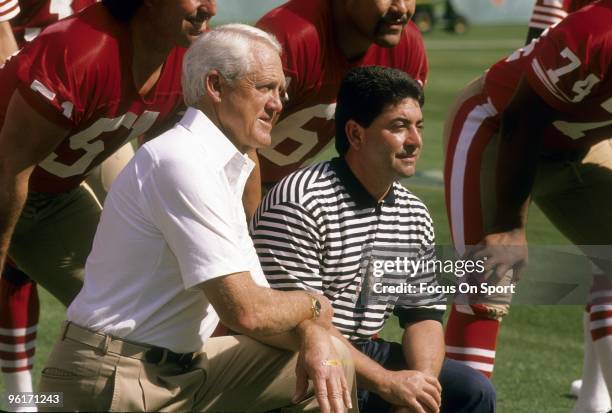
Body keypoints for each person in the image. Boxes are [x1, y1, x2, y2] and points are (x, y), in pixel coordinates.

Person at [37, 24, 355, 413]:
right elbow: (247, 312)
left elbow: (260, 297)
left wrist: (316, 334)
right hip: (112, 378)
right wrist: (314, 305)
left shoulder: (217, 166)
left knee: (333, 365)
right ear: (216, 87)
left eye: (281, 91)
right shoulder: (182, 161)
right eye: (265, 88)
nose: (278, 104)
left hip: (175, 371)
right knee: (324, 362)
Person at [251, 66, 496, 413]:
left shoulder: (413, 212)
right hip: (299, 355)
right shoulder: (300, 200)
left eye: (418, 126)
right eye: (399, 127)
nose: (415, 140)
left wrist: (419, 389)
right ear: (356, 134)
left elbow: (422, 315)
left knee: (471, 390)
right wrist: (387, 383)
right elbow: (300, 326)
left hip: (363, 352)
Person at [443, 1, 612, 411]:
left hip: (577, 144)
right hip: (498, 127)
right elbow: (524, 114)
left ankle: (595, 398)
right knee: (486, 281)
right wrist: (509, 226)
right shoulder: (599, 31)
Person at [240, 0, 428, 219]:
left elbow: (384, 147)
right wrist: (254, 229)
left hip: (282, 188)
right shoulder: (290, 39)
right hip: (223, 183)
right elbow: (239, 140)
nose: (402, 8)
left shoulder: (406, 46)